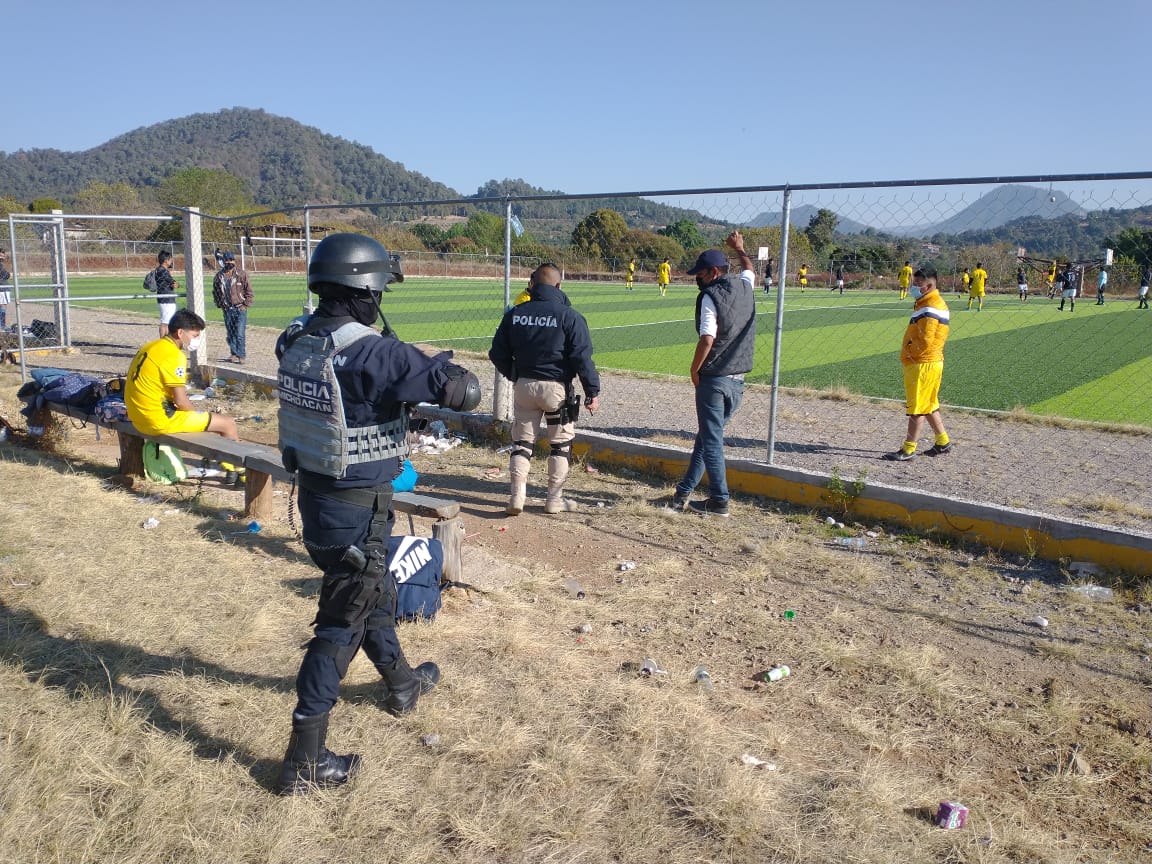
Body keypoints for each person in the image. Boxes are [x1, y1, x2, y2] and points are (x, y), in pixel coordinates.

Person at [273, 233, 481, 796]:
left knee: (373, 592)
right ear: (366, 289)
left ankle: (402, 685)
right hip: (357, 510)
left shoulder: (297, 338)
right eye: (380, 289)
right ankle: (305, 761)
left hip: (318, 502)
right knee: (342, 621)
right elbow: (466, 392)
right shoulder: (373, 352)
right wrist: (420, 362)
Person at [489, 263, 601, 515]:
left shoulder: (515, 313)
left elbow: (497, 353)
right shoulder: (570, 316)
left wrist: (515, 374)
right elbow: (582, 358)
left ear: (532, 285)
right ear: (559, 286)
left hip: (524, 386)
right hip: (556, 389)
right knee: (560, 446)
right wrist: (592, 392)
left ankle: (517, 497)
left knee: (522, 443)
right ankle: (553, 500)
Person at [668, 231, 756, 517]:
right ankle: (682, 493)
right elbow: (749, 270)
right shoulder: (745, 286)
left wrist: (694, 370)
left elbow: (707, 338)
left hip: (715, 380)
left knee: (712, 442)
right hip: (738, 381)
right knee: (707, 439)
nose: (698, 279)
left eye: (701, 274)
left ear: (714, 272)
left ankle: (719, 501)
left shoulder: (710, 296)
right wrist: (740, 249)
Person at [124, 308, 239, 441]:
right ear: (180, 333)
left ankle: (222, 461)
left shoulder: (150, 346)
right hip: (157, 421)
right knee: (228, 423)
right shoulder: (174, 355)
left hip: (136, 417)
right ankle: (232, 462)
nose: (197, 340)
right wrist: (196, 416)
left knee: (210, 420)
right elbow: (181, 401)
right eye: (195, 336)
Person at [883, 266, 953, 461]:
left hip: (922, 363)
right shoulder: (929, 302)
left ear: (929, 285)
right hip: (931, 361)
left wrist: (909, 353)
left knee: (917, 408)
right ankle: (943, 442)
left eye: (917, 284)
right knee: (929, 405)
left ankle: (908, 449)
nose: (913, 287)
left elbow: (925, 341)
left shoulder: (930, 307)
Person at [212, 251, 253, 363]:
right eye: (227, 260)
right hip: (227, 309)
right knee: (230, 333)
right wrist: (219, 304)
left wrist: (245, 305)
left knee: (240, 333)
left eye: (231, 260)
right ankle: (233, 353)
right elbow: (215, 291)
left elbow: (249, 291)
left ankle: (241, 355)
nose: (229, 262)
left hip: (240, 308)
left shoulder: (242, 274)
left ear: (234, 261)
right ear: (223, 262)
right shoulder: (219, 276)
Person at [150, 251, 180, 338]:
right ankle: (163, 340)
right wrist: (177, 284)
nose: (171, 261)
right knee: (165, 322)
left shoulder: (160, 270)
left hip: (165, 298)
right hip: (166, 299)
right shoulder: (162, 271)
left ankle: (165, 340)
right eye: (170, 259)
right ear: (166, 260)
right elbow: (173, 284)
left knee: (167, 322)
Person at [0, 248, 10, 331]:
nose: (2, 257)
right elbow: (5, 275)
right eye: (1, 255)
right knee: (3, 306)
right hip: (2, 287)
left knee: (3, 306)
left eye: (3, 255)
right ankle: (2, 325)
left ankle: (2, 325)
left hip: (3, 287)